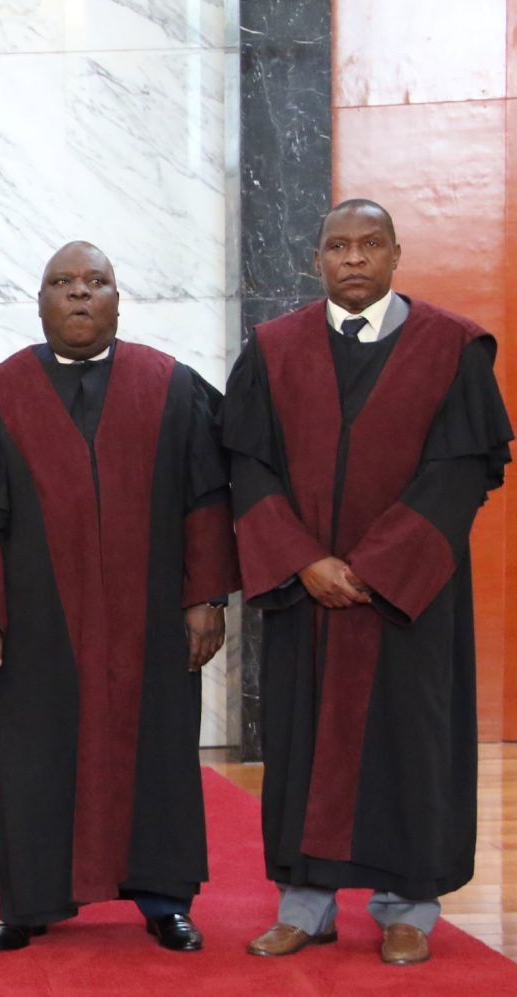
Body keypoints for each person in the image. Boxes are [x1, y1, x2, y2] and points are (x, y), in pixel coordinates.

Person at [226, 199, 510, 966]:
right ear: (316, 258)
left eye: (370, 244)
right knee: (301, 745)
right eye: (338, 246)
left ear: (395, 254)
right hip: (306, 596)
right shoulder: (273, 350)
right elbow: (247, 465)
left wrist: (376, 567)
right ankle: (306, 906)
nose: (354, 258)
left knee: (411, 744)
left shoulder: (452, 348)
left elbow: (459, 474)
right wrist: (304, 560)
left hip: (410, 599)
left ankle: (408, 907)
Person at [0, 242, 235, 952]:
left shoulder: (171, 387)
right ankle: (29, 903)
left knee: (159, 752)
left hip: (150, 620)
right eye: (62, 282)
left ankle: (165, 901)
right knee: (34, 758)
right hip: (35, 623)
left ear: (117, 301)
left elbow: (205, 501)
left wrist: (207, 597)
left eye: (96, 281)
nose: (79, 293)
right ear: (39, 303)